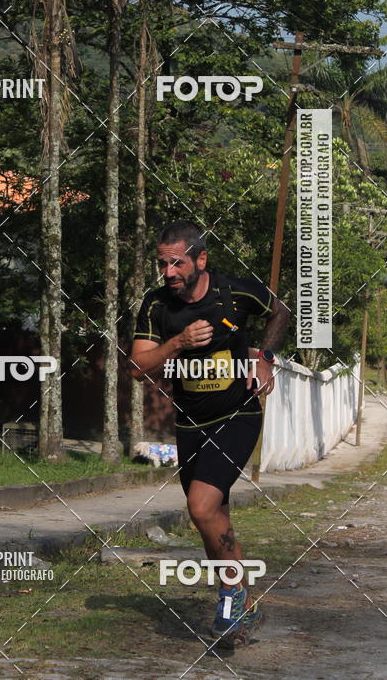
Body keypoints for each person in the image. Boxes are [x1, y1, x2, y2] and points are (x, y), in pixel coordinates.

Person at [130, 219, 289, 647]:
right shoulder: (156, 305)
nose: (169, 274)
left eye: (177, 263)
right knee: (210, 517)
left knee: (201, 507)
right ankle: (242, 603)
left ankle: (230, 598)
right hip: (190, 424)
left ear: (201, 259)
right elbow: (137, 366)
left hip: (237, 415)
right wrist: (177, 343)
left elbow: (280, 311)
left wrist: (265, 357)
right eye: (163, 265)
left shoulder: (233, 292)